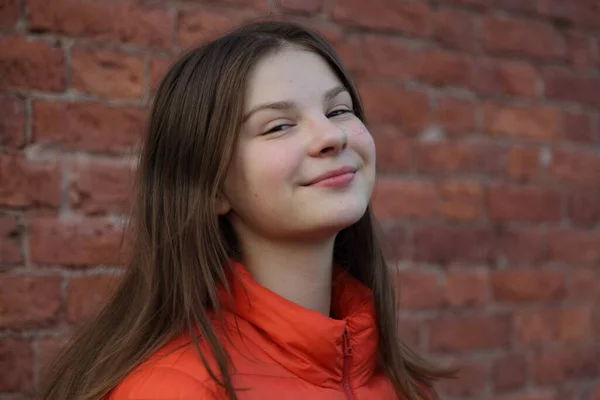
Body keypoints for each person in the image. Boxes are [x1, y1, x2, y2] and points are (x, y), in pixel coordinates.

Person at [41, 20, 455, 400]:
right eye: (278, 125)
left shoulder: (401, 381)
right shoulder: (173, 389)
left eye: (338, 110)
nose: (330, 135)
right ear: (213, 187)